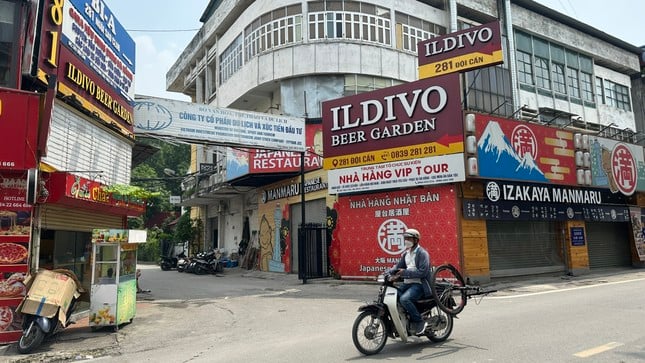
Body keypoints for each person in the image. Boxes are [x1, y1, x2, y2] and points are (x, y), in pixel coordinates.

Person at [387, 228, 431, 335]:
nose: (406, 240)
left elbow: (423, 272)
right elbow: (397, 267)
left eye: (409, 238)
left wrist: (405, 272)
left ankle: (419, 321)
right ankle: (402, 321)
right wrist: (387, 273)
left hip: (419, 284)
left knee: (404, 299)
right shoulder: (406, 254)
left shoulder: (422, 253)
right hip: (407, 284)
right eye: (405, 238)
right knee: (392, 294)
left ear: (416, 240)